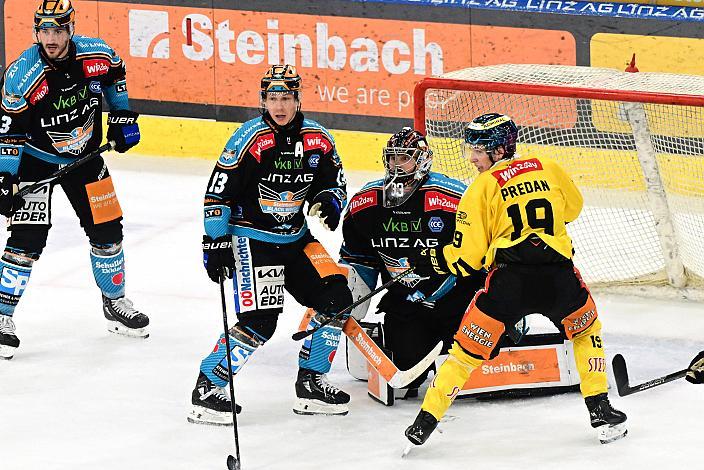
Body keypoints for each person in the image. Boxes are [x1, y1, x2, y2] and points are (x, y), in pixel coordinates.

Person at [404, 113, 628, 446]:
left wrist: (432, 259)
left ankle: (426, 421)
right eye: (472, 149)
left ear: (499, 150)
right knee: (586, 333)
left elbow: (467, 261)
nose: (472, 158)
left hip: (509, 284)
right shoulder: (547, 167)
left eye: (480, 150)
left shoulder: (481, 187)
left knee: (464, 353)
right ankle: (600, 407)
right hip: (559, 278)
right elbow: (573, 208)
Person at [188, 64, 353, 425]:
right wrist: (214, 243)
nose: (279, 106)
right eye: (272, 98)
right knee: (260, 321)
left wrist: (330, 202)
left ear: (298, 99)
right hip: (253, 240)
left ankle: (311, 382)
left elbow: (334, 183)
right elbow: (218, 193)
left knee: (338, 298)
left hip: (296, 239)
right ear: (263, 100)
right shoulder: (249, 138)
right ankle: (207, 386)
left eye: (286, 98)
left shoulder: (319, 139)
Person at [0, 0, 147, 359]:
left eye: (58, 30)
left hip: (86, 157)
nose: (50, 38)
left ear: (70, 30)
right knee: (27, 238)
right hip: (35, 162)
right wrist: (5, 177)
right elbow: (9, 132)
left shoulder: (97, 53)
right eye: (44, 31)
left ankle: (114, 303)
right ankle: (1, 316)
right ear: (36, 32)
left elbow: (115, 74)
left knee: (109, 228)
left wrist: (123, 116)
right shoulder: (23, 75)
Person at [339, 127, 485, 396]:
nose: (396, 165)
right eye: (392, 158)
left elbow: (481, 251)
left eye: (404, 157)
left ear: (423, 159)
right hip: (407, 304)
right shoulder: (366, 203)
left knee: (472, 380)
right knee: (405, 383)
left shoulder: (454, 198)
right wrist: (345, 307)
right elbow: (357, 261)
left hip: (455, 300)